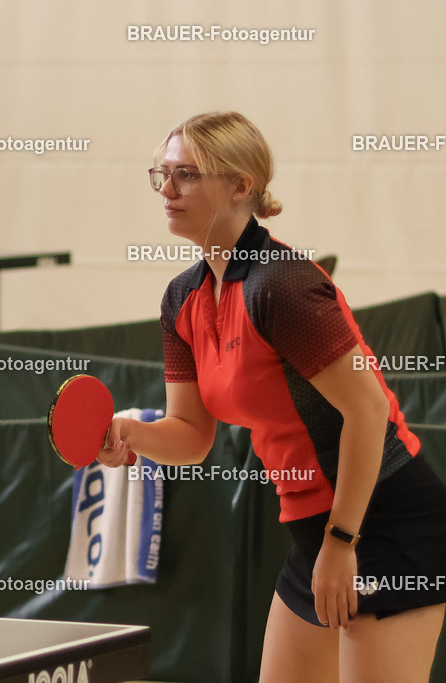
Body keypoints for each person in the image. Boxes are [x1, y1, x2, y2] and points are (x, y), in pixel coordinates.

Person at [98, 111, 446, 681]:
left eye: (186, 174)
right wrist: (129, 432)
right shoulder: (182, 299)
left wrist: (341, 543)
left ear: (241, 185)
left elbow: (368, 409)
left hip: (382, 524)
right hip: (314, 535)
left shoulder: (281, 283)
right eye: (161, 173)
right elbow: (191, 436)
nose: (167, 189)